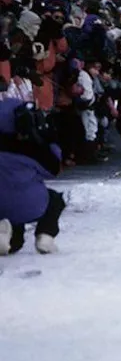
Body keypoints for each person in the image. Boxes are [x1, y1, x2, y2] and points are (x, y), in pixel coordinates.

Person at [0, 99, 66, 255]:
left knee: (14, 244)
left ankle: (4, 232)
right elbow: (54, 170)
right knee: (55, 199)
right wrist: (50, 142)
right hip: (31, 204)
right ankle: (45, 235)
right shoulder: (33, 149)